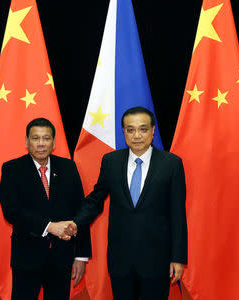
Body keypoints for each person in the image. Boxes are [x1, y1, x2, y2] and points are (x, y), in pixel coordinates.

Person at [68, 107, 187, 300]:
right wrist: (76, 223)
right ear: (123, 132)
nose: (137, 135)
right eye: (130, 130)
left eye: (143, 129)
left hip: (157, 260)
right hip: (121, 260)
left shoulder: (171, 164)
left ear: (153, 130)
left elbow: (178, 215)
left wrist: (178, 257)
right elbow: (96, 200)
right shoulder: (111, 161)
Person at [0, 118, 91, 300]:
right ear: (27, 141)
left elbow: (81, 211)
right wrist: (49, 226)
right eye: (35, 138)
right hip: (26, 257)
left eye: (46, 138)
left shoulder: (68, 167)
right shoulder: (12, 169)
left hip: (62, 258)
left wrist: (81, 255)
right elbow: (11, 211)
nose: (41, 144)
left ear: (54, 142)